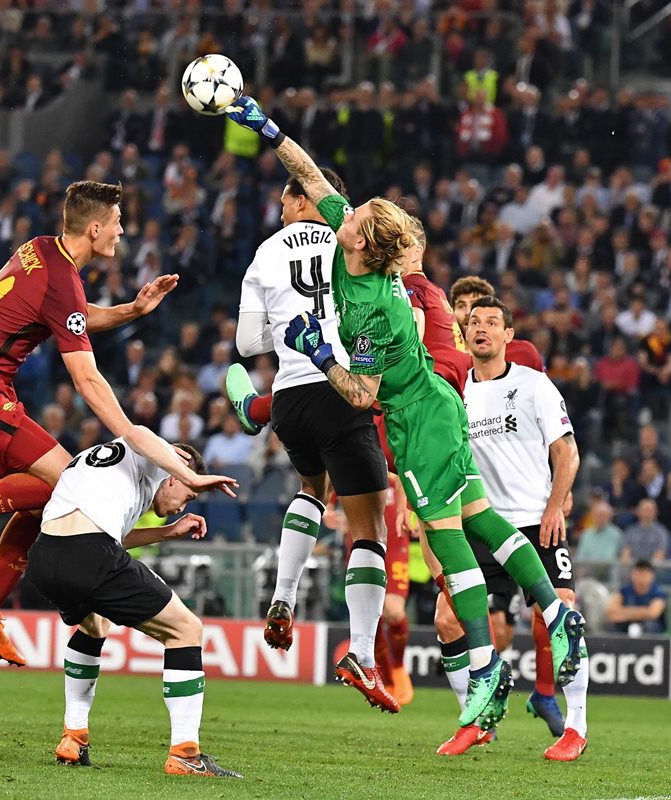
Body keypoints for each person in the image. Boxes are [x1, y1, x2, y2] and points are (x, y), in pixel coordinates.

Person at [224, 94, 584, 737]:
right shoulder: (358, 247)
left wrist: (317, 352)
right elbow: (310, 177)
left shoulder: (370, 310)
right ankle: (558, 618)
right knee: (483, 519)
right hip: (437, 409)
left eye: (353, 213)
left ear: (360, 239)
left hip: (419, 421)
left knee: (447, 540)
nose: (344, 210)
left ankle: (484, 672)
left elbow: (360, 395)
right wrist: (265, 125)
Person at [0, 181, 237, 666]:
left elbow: (71, 316)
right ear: (94, 228)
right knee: (69, 482)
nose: (122, 231)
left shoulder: (41, 251)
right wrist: (130, 431)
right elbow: (86, 379)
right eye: (117, 223)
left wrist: (132, 309)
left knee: (41, 500)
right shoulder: (62, 278)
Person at [224, 168, 396, 712]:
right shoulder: (351, 242)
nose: (280, 200)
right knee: (370, 524)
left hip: (290, 395)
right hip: (340, 386)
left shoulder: (266, 252)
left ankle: (281, 597)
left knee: (310, 488)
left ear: (305, 196)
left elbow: (247, 342)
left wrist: (287, 325)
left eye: (286, 192)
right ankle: (363, 654)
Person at [28, 441, 240, 778]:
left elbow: (112, 535)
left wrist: (167, 532)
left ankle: (74, 736)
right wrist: (189, 469)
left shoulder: (113, 465)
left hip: (44, 556)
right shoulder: (151, 453)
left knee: (95, 624)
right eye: (188, 495)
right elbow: (145, 437)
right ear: (174, 473)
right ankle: (186, 753)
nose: (181, 506)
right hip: (90, 554)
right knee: (186, 629)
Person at [445, 296, 588, 761]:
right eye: (473, 322)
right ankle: (477, 719)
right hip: (481, 524)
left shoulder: (534, 384)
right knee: (447, 619)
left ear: (509, 335)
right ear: (463, 335)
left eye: (492, 322)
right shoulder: (454, 394)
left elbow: (567, 452)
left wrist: (554, 506)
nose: (481, 328)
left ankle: (576, 728)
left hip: (533, 521)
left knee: (561, 614)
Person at [449, 275, 545, 370]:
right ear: (451, 311)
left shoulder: (524, 353)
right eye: (461, 306)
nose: (468, 312)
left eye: (475, 305)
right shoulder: (446, 358)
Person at [607, 560, 667, 635]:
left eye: (643, 575)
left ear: (651, 576)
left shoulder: (657, 593)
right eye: (637, 574)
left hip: (648, 628)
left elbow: (653, 613)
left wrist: (625, 612)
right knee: (614, 626)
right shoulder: (624, 591)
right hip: (626, 625)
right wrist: (642, 612)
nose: (640, 578)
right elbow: (611, 613)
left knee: (650, 625)